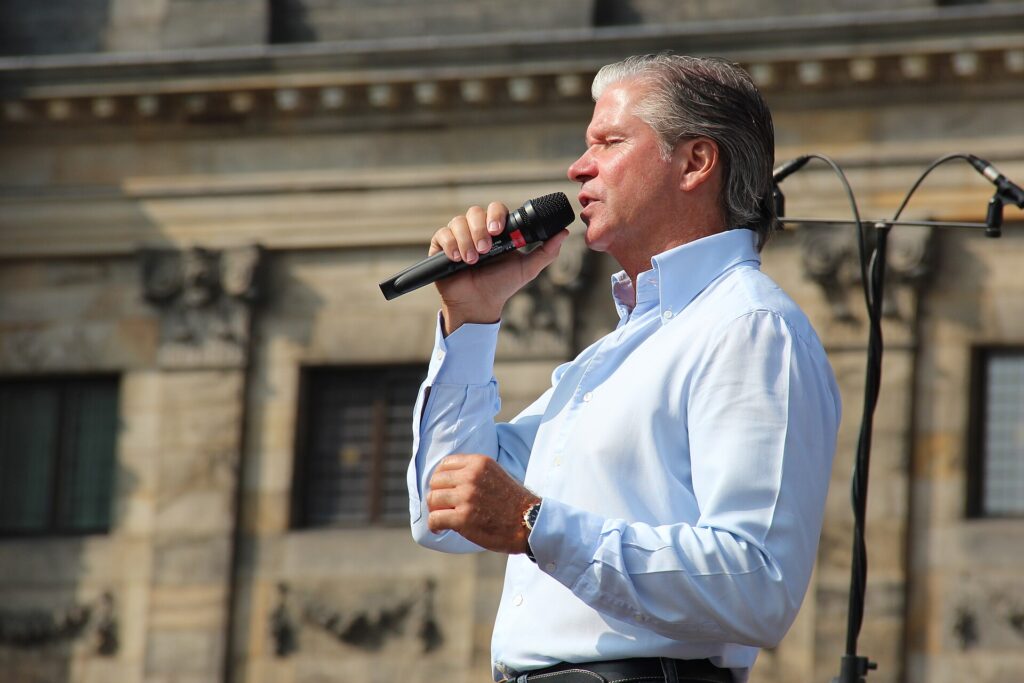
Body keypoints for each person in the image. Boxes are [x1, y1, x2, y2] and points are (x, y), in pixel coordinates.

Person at [406, 54, 841, 683]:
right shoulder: (612, 355)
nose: (578, 167)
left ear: (695, 162)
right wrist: (471, 318)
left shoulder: (748, 327)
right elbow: (442, 511)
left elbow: (757, 583)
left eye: (608, 142)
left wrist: (536, 524)